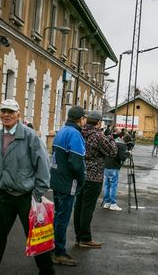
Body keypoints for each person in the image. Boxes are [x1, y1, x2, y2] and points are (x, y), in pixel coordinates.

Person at [0, 99, 54, 275]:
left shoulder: (30, 136)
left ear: (18, 115)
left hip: (27, 196)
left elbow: (43, 165)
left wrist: (38, 193)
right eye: (3, 111)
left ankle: (47, 272)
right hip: (3, 196)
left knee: (38, 238)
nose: (6, 115)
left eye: (10, 112)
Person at [50, 105, 87, 266]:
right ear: (80, 119)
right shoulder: (75, 134)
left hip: (57, 180)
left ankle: (52, 247)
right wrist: (81, 180)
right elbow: (77, 163)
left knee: (58, 216)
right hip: (67, 183)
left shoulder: (62, 130)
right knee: (63, 218)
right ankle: (59, 251)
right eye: (84, 118)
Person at [74, 110, 116, 248]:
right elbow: (112, 152)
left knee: (79, 206)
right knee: (87, 208)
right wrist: (110, 138)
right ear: (98, 122)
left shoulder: (80, 132)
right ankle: (85, 238)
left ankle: (78, 236)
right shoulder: (98, 136)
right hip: (94, 177)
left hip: (80, 174)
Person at [103, 131, 132, 211]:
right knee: (113, 186)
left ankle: (107, 202)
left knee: (107, 185)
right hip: (114, 167)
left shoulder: (113, 142)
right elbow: (122, 157)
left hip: (106, 166)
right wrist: (128, 153)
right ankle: (113, 204)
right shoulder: (122, 145)